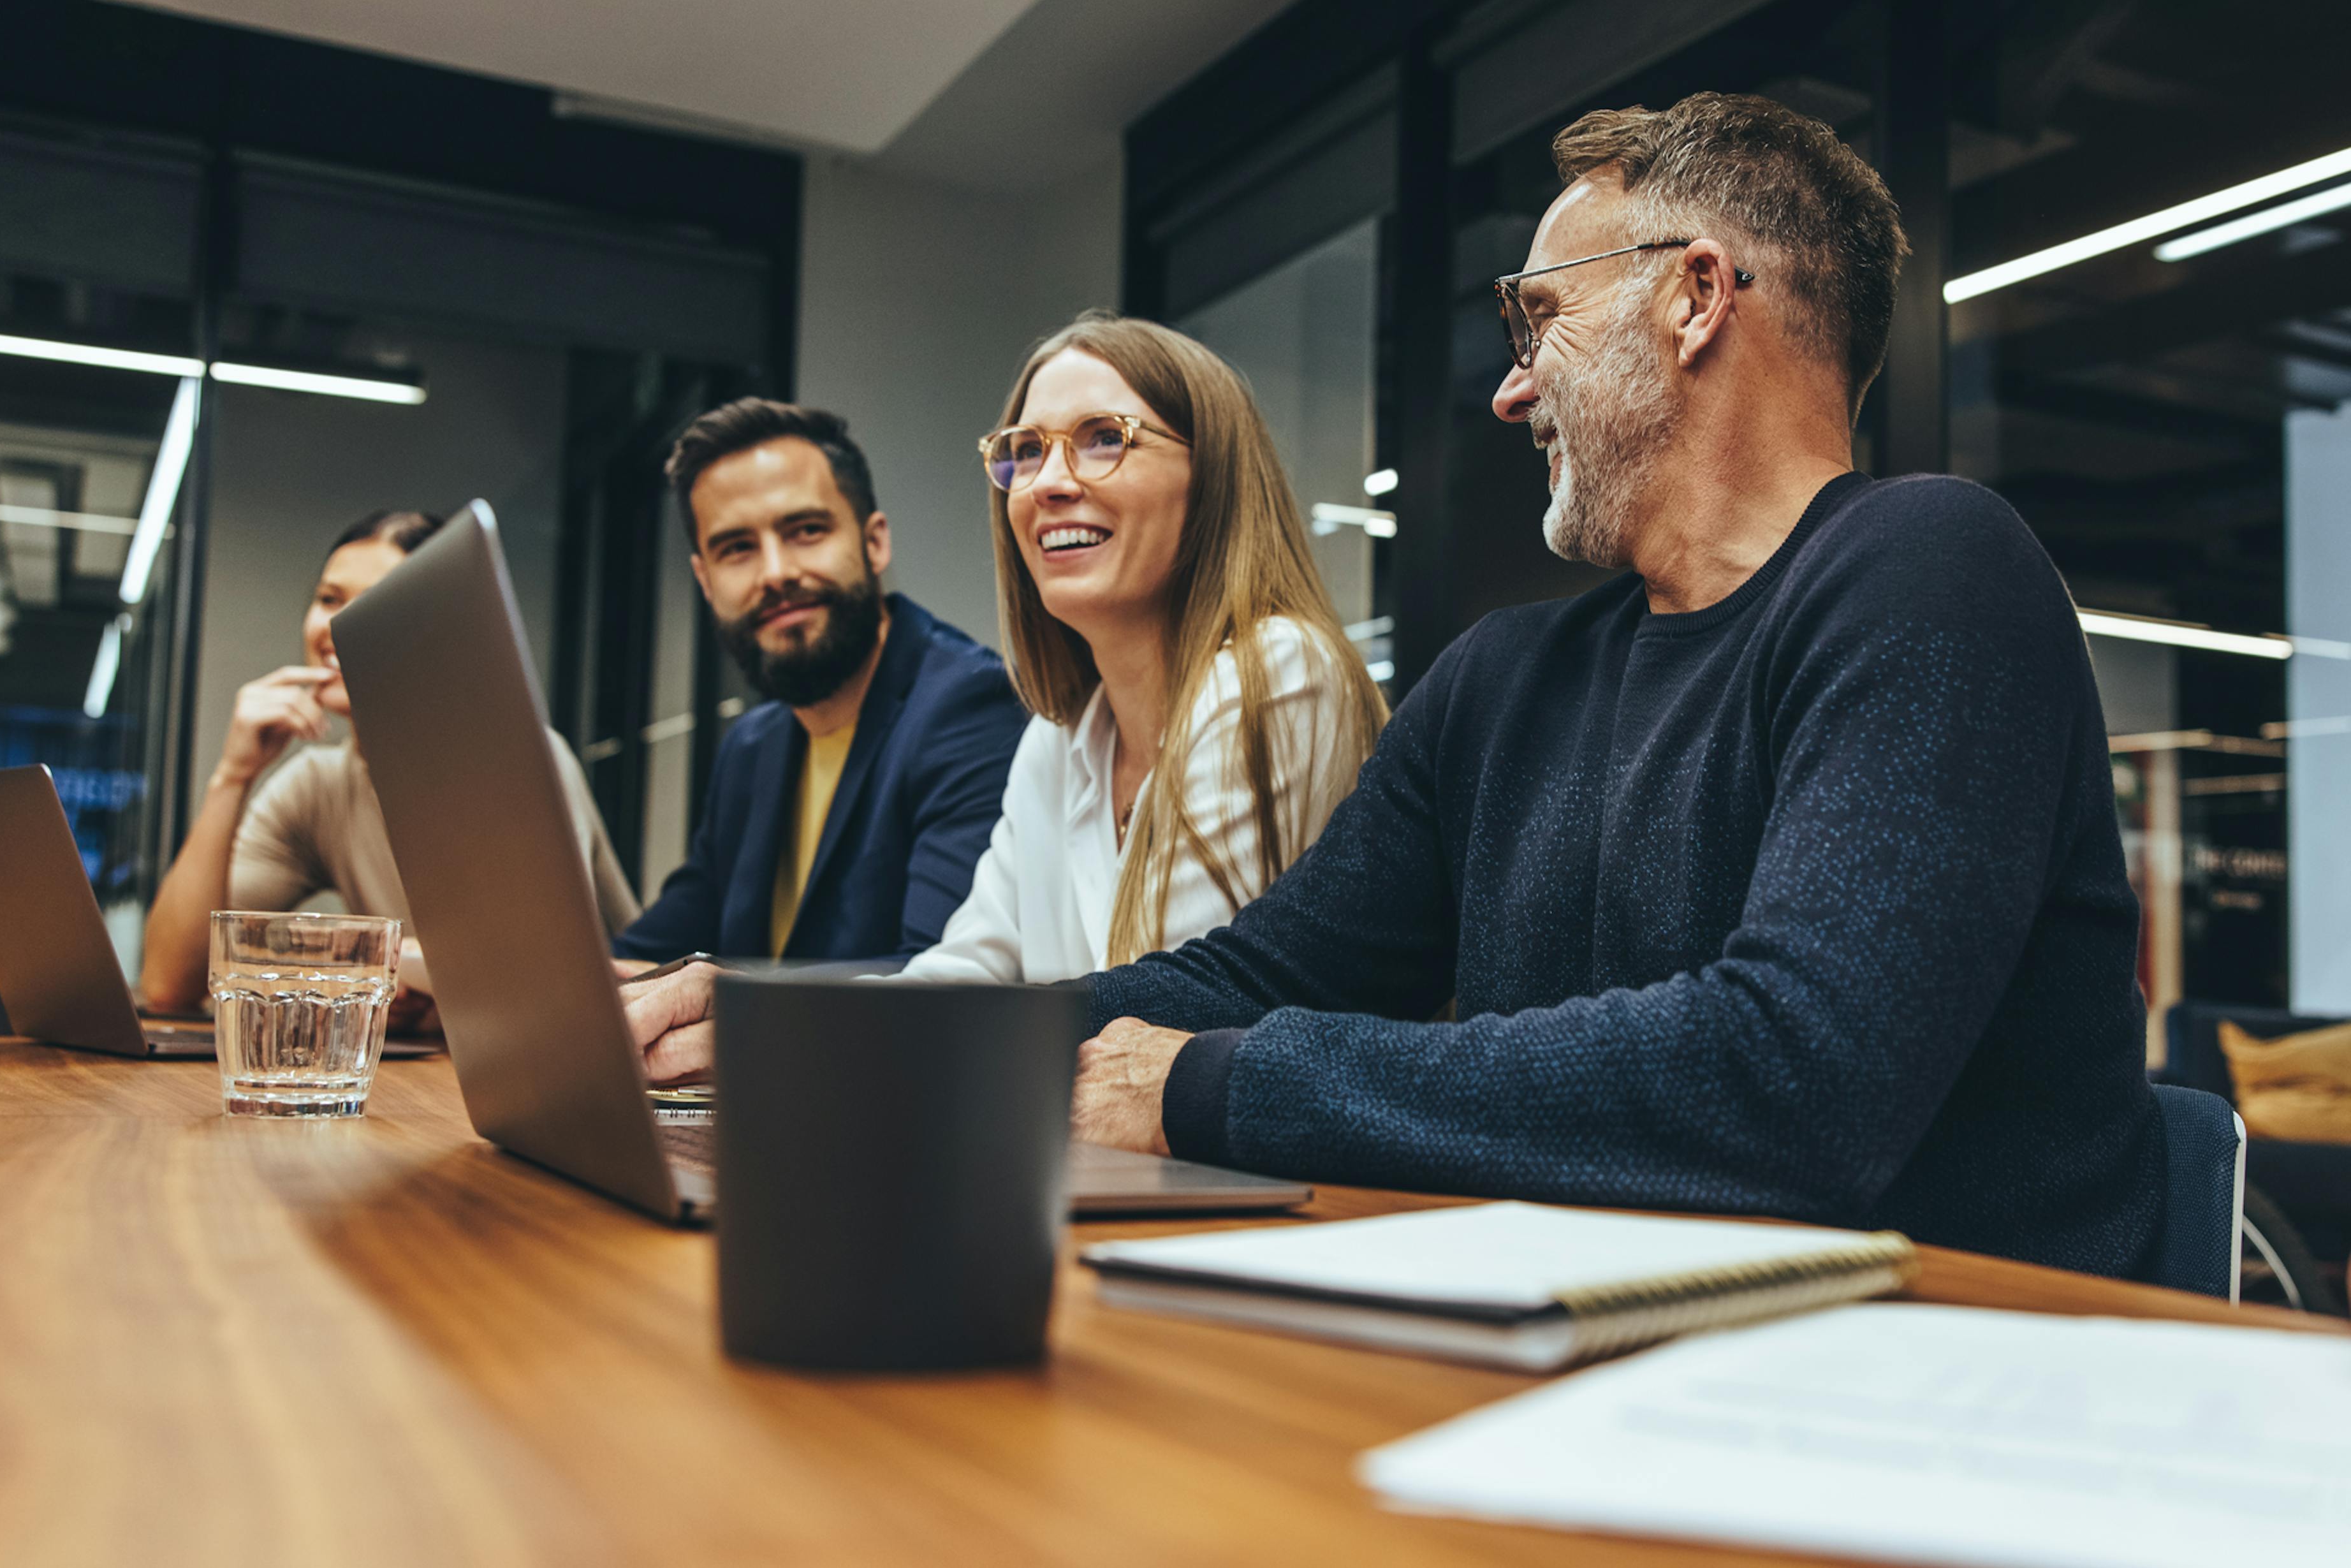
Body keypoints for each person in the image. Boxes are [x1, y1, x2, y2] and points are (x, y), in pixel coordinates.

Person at [623, 92, 2165, 1276]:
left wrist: (1213, 1090)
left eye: (1537, 317)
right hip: (1594, 1334)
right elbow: (1248, 972)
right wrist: (828, 1042)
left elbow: (1790, 1082)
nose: (1506, 385)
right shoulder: (1507, 675)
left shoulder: (1928, 566)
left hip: (1930, 1384)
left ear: (1696, 295)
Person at [887, 315, 1386, 986]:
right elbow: (968, 969)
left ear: (1212, 477)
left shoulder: (1281, 670)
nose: (1047, 483)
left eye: (1103, 439)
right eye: (1027, 451)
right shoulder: (1059, 742)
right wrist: (774, 1022)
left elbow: (1160, 1014)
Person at [139, 509, 639, 1022]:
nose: (335, 626)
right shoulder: (317, 785)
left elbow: (532, 982)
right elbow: (167, 983)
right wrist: (232, 777)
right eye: (328, 599)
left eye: (372, 604)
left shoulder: (523, 759)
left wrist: (366, 964)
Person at [612, 400, 1027, 970]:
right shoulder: (751, 747)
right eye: (738, 548)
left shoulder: (970, 708)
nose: (776, 572)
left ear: (874, 542)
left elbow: (938, 982)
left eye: (806, 530)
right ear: (706, 581)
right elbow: (651, 952)